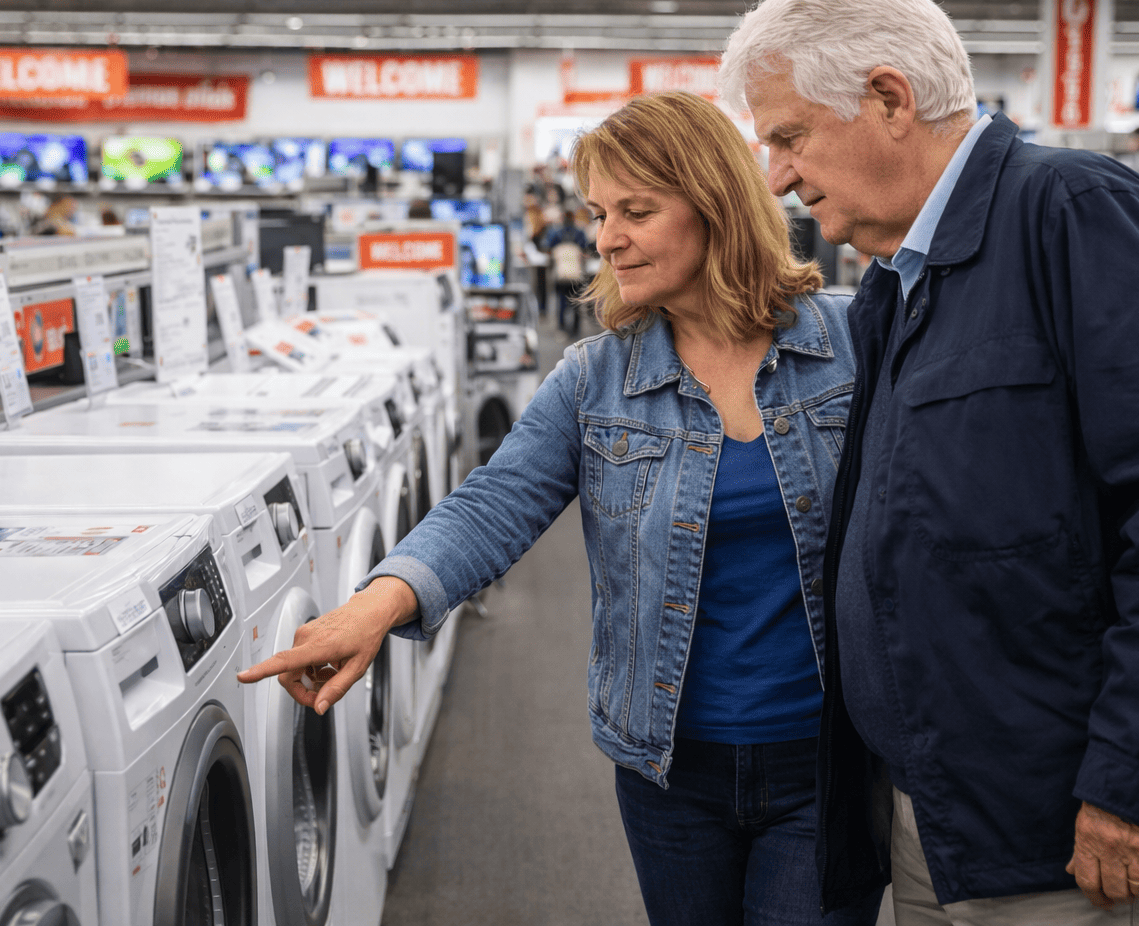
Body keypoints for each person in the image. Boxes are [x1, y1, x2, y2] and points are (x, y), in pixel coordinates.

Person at [717, 0, 1139, 925]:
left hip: (1077, 829)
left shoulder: (1076, 214)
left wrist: (1136, 780)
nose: (776, 175)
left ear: (889, 98)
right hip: (945, 812)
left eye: (789, 136)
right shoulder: (900, 283)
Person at [240, 91, 881, 926]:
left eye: (636, 211)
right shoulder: (595, 379)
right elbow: (494, 503)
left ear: (717, 205)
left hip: (827, 760)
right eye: (598, 213)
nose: (605, 237)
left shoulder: (852, 343)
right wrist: (374, 605)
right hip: (667, 767)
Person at [544, 207, 591, 335]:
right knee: (576, 301)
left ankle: (562, 327)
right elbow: (585, 250)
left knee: (561, 301)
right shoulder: (579, 233)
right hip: (576, 273)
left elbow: (548, 249)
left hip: (561, 273)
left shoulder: (556, 233)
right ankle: (575, 329)